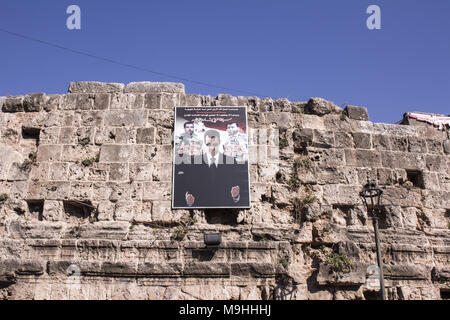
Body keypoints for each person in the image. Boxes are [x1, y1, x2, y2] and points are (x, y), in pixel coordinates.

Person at [173, 129, 249, 208]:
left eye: (215, 144)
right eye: (209, 144)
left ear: (220, 142)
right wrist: (189, 203)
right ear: (205, 143)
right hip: (200, 209)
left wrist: (236, 197)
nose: (212, 148)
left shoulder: (231, 161)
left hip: (225, 209)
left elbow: (240, 189)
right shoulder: (193, 162)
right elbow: (188, 189)